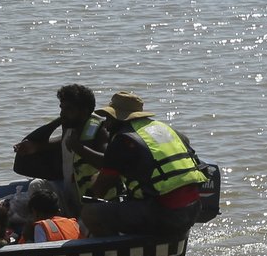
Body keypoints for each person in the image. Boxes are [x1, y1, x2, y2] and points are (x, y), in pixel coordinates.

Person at [82, 92, 206, 238]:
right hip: (193, 208)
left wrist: (90, 192)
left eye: (109, 118)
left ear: (120, 119)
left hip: (164, 213)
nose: (106, 124)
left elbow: (101, 189)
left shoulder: (123, 140)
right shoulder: (164, 129)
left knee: (90, 214)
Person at [12, 84, 111, 216]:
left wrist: (79, 148)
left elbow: (108, 163)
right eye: (61, 108)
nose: (62, 113)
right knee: (36, 185)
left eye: (68, 109)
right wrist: (37, 146)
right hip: (69, 191)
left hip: (91, 199)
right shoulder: (70, 125)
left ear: (84, 111)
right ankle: (52, 226)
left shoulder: (99, 130)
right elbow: (64, 141)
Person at [17, 187, 82, 243]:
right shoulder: (73, 223)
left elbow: (39, 253)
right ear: (58, 210)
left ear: (34, 212)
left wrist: (28, 239)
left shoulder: (41, 227)